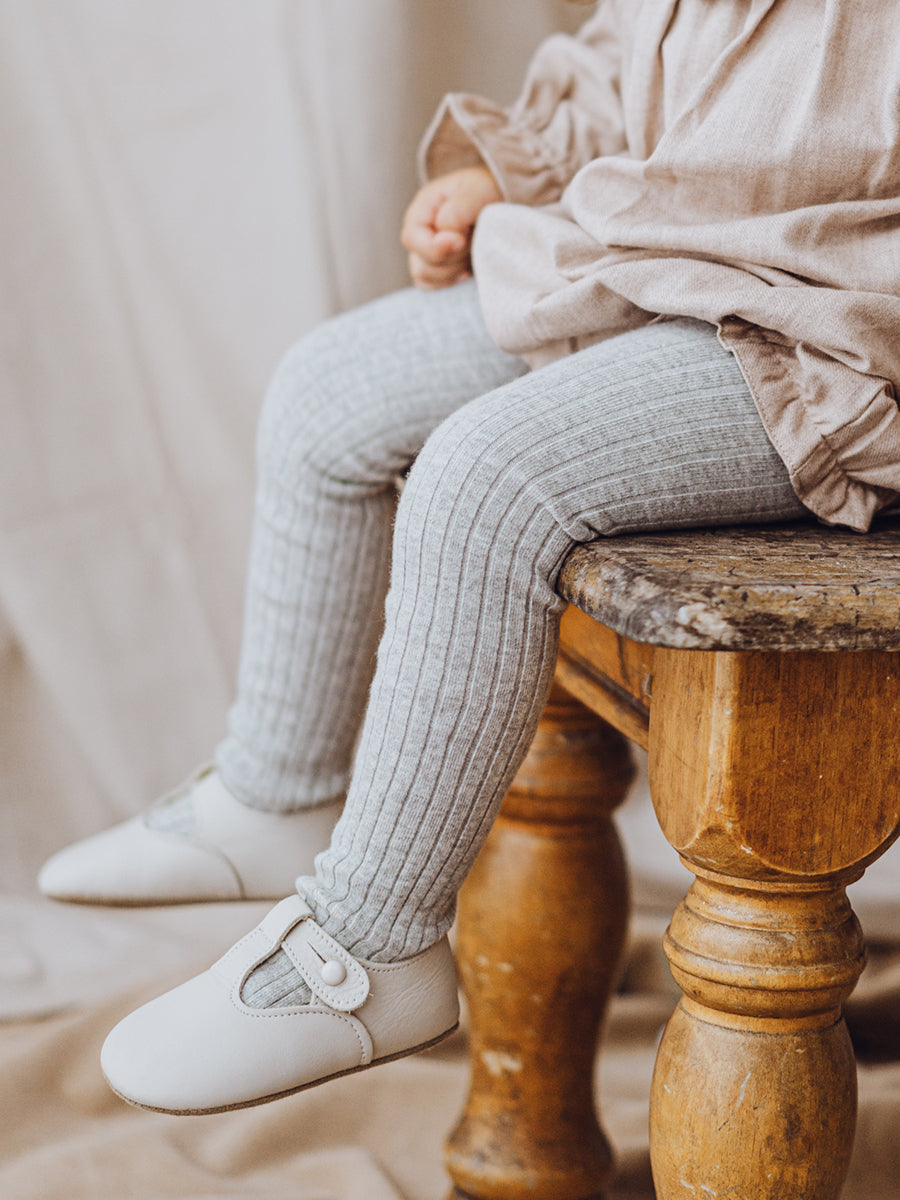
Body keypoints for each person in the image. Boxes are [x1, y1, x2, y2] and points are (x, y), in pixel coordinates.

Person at [38, 0, 900, 1115]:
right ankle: (277, 785)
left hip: (827, 327)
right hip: (663, 261)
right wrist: (512, 168)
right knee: (325, 395)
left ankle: (373, 940)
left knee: (487, 480)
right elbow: (641, 53)